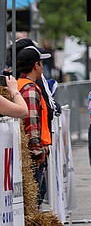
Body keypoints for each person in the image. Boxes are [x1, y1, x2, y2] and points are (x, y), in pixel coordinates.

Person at [16, 47, 50, 203]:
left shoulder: (18, 85)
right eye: (41, 64)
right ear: (36, 65)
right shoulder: (30, 88)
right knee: (35, 198)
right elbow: (31, 121)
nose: (42, 68)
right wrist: (37, 150)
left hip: (23, 151)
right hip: (33, 154)